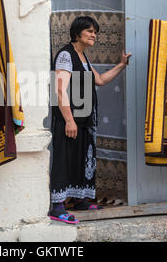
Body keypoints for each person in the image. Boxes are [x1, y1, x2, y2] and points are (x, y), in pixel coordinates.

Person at [49, 16, 132, 224]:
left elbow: (100, 80)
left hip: (84, 120)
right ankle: (57, 207)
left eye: (95, 31)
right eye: (90, 31)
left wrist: (122, 65)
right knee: (65, 159)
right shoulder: (66, 56)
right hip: (70, 119)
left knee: (82, 159)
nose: (94, 34)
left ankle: (80, 201)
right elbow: (60, 90)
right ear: (77, 33)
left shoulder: (83, 57)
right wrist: (69, 120)